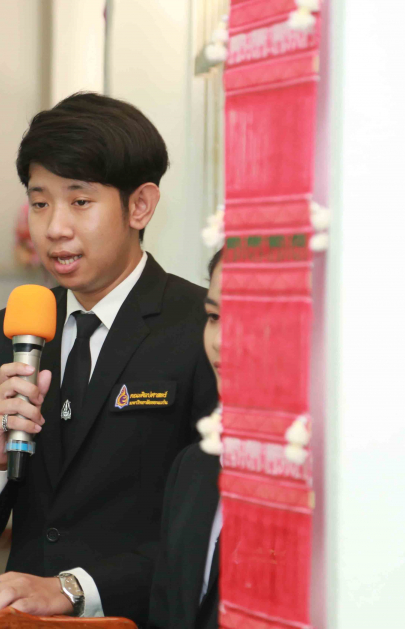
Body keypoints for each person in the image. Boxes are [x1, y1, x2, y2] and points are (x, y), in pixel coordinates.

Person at [0, 93, 218, 624]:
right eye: (40, 203)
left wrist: (72, 589)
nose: (54, 228)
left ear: (140, 206)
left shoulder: (203, 328)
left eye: (80, 202)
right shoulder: (5, 332)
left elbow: (210, 535)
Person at [146, 249, 224, 629]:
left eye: (249, 316)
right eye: (215, 317)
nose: (221, 341)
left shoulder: (327, 482)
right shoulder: (194, 467)